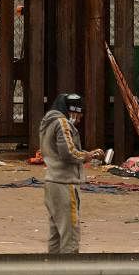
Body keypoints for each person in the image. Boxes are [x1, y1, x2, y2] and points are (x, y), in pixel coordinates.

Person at [39, 93, 101, 254]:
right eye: (79, 115)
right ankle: (70, 274)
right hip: (65, 184)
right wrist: (88, 155)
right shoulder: (62, 123)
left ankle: (53, 274)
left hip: (51, 182)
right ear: (72, 110)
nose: (79, 120)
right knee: (70, 236)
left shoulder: (47, 122)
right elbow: (68, 153)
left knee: (56, 234)